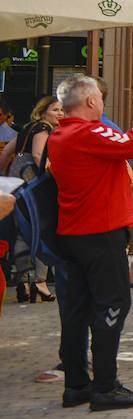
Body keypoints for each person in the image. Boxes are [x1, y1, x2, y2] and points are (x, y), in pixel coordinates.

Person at [47, 75, 133, 410]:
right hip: (100, 234)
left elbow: (118, 145)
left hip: (73, 234)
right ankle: (105, 385)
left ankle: (76, 385)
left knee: (77, 309)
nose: (102, 101)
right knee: (113, 304)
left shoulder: (63, 133)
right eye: (99, 97)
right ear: (89, 101)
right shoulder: (87, 131)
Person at [2, 95, 63, 302]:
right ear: (43, 111)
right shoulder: (43, 129)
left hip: (17, 186)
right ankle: (40, 283)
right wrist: (54, 177)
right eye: (55, 109)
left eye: (62, 110)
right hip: (35, 189)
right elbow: (39, 156)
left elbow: (7, 154)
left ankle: (23, 281)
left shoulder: (26, 128)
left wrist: (4, 179)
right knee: (41, 231)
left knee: (21, 232)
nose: (60, 113)